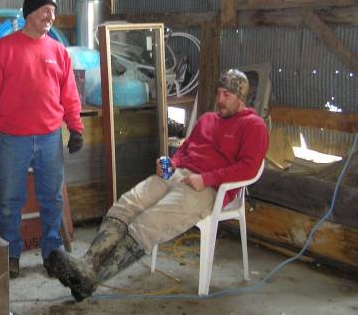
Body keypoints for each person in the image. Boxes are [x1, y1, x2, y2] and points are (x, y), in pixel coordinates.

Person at [46, 69, 269, 301]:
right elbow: (185, 148)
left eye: (227, 95)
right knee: (127, 204)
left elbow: (249, 168)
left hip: (208, 188)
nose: (220, 99)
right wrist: (170, 162)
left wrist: (207, 179)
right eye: (218, 93)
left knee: (148, 222)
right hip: (178, 174)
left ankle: (91, 279)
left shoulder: (253, 126)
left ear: (241, 99)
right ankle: (87, 264)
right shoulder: (207, 119)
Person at [0, 0, 84, 279]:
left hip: (49, 138)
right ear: (29, 13)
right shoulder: (5, 48)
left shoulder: (58, 51)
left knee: (52, 199)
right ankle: (11, 254)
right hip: (13, 140)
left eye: (53, 11)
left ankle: (52, 252)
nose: (51, 16)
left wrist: (76, 128)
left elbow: (70, 95)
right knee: (10, 201)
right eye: (46, 9)